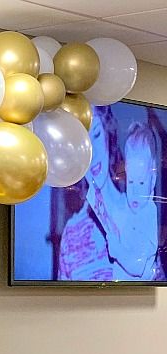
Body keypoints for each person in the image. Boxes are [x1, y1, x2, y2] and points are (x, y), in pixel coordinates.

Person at [58, 106, 124, 282]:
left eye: (96, 135)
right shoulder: (72, 233)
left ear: (108, 135)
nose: (92, 154)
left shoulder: (136, 214)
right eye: (84, 144)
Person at [102, 122, 160, 280]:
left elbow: (138, 266)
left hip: (140, 289)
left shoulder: (150, 214)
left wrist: (117, 251)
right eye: (131, 182)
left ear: (153, 180)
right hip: (117, 287)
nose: (134, 191)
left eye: (141, 183)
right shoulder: (124, 206)